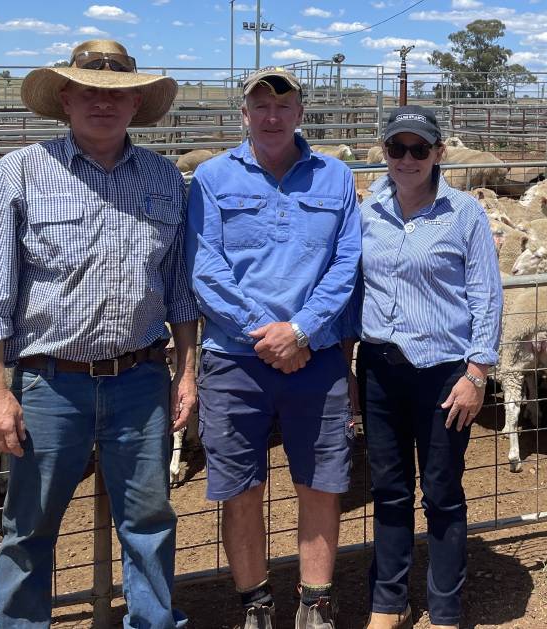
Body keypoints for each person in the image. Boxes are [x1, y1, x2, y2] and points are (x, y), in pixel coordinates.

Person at [0, 40, 197, 628]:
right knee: (29, 527)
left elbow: (180, 288)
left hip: (141, 379)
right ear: (65, 98)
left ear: (137, 102)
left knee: (148, 523)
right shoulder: (17, 175)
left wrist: (187, 372)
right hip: (48, 385)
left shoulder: (165, 180)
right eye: (88, 91)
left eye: (116, 94)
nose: (102, 103)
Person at [185, 68, 361, 629]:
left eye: (283, 105)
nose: (272, 115)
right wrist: (269, 332)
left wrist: (302, 329)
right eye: (260, 105)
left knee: (321, 483)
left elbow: (346, 262)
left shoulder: (335, 178)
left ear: (300, 113)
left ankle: (316, 604)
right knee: (241, 488)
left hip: (316, 356)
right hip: (235, 359)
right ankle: (256, 606)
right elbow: (204, 266)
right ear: (244, 114)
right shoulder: (211, 178)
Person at [351, 106, 503, 629]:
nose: (408, 159)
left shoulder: (464, 213)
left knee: (442, 490)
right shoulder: (368, 210)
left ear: (439, 153)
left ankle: (444, 606)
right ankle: (389, 602)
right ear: (385, 154)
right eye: (398, 149)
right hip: (380, 367)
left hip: (444, 373)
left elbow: (486, 295)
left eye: (420, 149)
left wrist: (477, 373)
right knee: (388, 489)